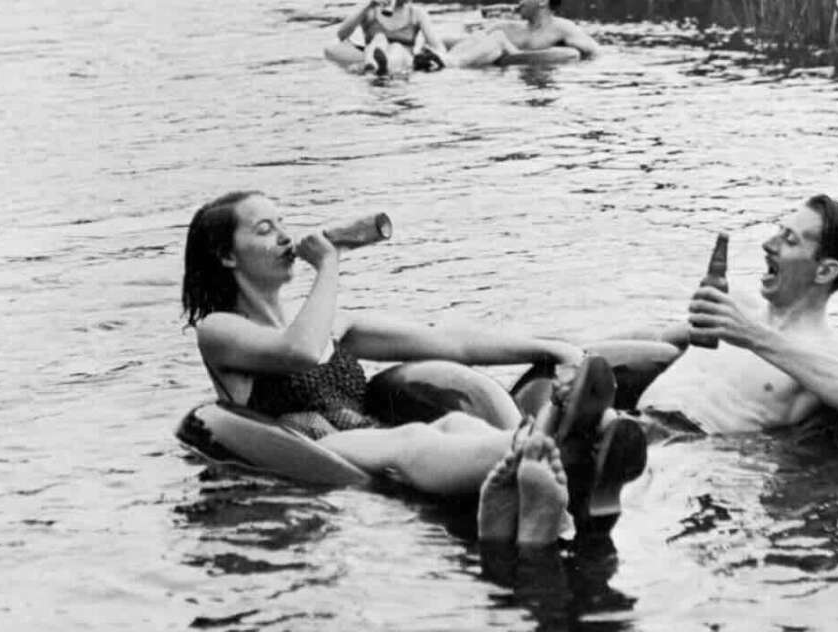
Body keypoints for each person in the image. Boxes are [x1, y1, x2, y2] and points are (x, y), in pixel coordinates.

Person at [181, 190, 644, 546]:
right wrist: (328, 266)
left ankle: (556, 456)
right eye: (265, 230)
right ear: (227, 255)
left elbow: (450, 342)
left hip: (367, 433)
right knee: (412, 439)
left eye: (283, 223)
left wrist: (552, 348)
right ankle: (556, 444)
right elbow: (299, 350)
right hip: (316, 445)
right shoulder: (219, 329)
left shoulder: (334, 326)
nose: (285, 237)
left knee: (455, 424)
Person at [628, 195, 838, 434]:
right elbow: (659, 338)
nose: (768, 245)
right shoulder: (735, 309)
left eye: (790, 240)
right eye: (779, 231)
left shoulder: (823, 353)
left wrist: (751, 335)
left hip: (690, 446)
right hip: (638, 421)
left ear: (825, 271)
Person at [445, 0, 601, 67]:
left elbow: (595, 53)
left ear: (542, 1)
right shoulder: (505, 28)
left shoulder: (563, 29)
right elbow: (468, 41)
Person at [334, 0, 448, 76]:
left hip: (402, 64)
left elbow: (438, 47)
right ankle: (374, 64)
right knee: (379, 38)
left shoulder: (416, 14)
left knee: (396, 47)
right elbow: (341, 35)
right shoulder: (371, 10)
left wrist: (430, 58)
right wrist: (369, 5)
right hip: (373, 56)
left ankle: (382, 65)